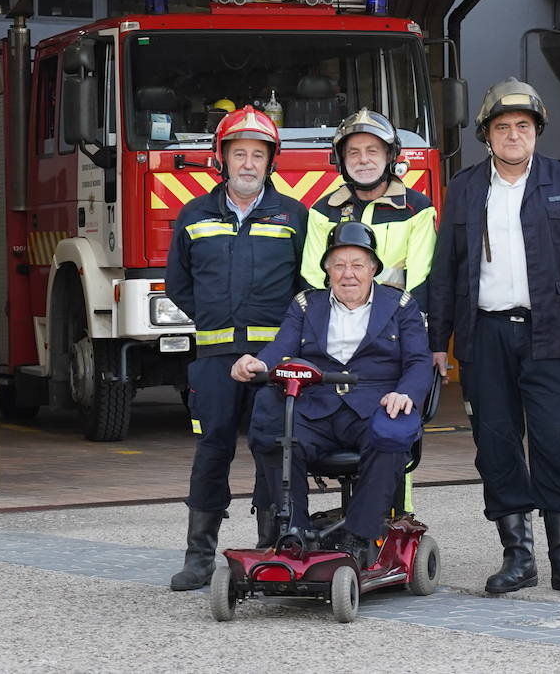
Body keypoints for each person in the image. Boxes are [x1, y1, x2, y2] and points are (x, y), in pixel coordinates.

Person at [427, 77, 560, 595]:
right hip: (484, 335)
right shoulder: (464, 186)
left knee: (558, 440)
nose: (512, 135)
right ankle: (517, 557)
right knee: (496, 443)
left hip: (552, 335)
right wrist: (440, 340)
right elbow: (446, 268)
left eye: (522, 126)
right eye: (502, 127)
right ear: (486, 135)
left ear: (537, 132)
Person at [165, 106, 308, 591]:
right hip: (214, 363)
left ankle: (272, 550)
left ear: (272, 163)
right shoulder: (194, 214)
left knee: (274, 451)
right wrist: (215, 321)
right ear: (221, 159)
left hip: (273, 363)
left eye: (258, 155)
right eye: (239, 153)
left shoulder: (294, 215)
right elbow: (178, 284)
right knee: (212, 451)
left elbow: (305, 286)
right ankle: (199, 557)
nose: (248, 163)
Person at [235, 221, 432, 561]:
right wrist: (257, 363)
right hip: (317, 405)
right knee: (272, 423)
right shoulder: (307, 305)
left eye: (357, 265)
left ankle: (359, 535)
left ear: (373, 268)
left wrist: (406, 393)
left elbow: (418, 361)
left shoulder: (400, 305)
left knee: (393, 429)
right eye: (339, 265)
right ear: (327, 270)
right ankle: (292, 534)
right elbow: (280, 348)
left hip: (374, 405)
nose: (348, 274)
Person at [300, 108, 437, 310]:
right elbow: (312, 281)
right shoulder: (323, 211)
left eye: (372, 151)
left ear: (389, 155)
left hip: (393, 327)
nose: (363, 160)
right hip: (337, 326)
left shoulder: (417, 210)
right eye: (353, 152)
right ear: (342, 161)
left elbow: (420, 282)